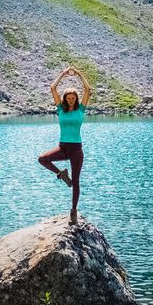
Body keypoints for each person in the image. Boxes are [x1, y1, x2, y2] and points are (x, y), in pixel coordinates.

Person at [38, 66, 92, 225]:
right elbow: (53, 88)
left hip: (76, 149)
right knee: (42, 159)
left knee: (76, 181)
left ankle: (73, 211)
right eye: (68, 97)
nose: (71, 99)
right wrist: (63, 73)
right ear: (65, 98)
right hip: (63, 147)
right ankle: (61, 174)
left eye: (73, 97)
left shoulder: (81, 110)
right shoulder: (60, 109)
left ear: (76, 98)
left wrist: (79, 73)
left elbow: (88, 89)